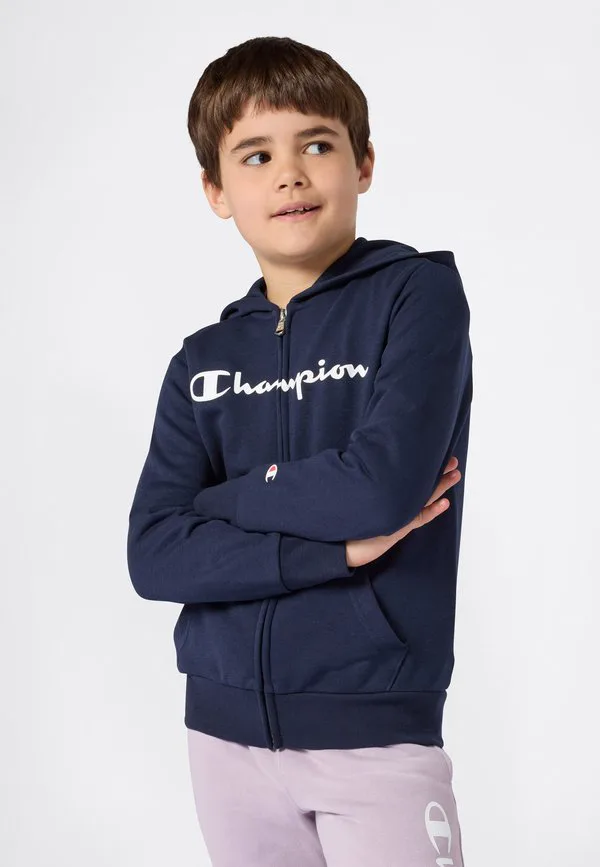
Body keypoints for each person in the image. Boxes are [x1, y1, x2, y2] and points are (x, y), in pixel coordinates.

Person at [127, 34, 472, 867]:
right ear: (216, 190)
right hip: (222, 740)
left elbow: (379, 490)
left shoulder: (416, 296)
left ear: (363, 163)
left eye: (316, 145)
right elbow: (153, 553)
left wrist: (221, 501)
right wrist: (333, 552)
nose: (289, 174)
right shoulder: (201, 361)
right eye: (256, 155)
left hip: (374, 731)